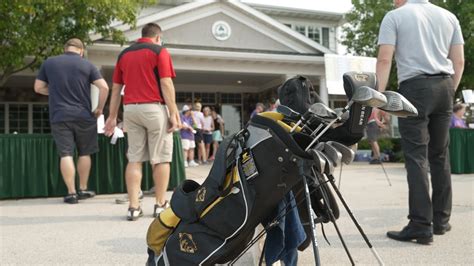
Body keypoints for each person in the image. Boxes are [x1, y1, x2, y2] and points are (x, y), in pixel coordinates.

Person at [376, 0, 464, 243]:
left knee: (416, 157)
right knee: (439, 155)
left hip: (414, 87)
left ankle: (420, 225)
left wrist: (377, 99)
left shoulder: (395, 17)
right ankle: (441, 221)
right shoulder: (448, 16)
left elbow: (384, 60)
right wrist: (448, 92)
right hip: (445, 85)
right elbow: (459, 62)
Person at [104, 23, 181, 221]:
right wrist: (173, 112)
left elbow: (115, 88)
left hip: (130, 108)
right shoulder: (159, 51)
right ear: (158, 37)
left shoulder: (124, 54)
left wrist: (112, 117)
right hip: (154, 108)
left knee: (134, 158)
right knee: (161, 158)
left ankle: (133, 207)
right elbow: (166, 83)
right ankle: (160, 204)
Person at [34, 38, 109, 204]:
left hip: (60, 115)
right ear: (81, 51)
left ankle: (71, 193)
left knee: (66, 153)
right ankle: (82, 188)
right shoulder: (87, 65)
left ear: (65, 49)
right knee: (84, 152)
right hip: (84, 116)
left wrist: (54, 92)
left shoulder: (50, 63)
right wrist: (99, 108)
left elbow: (38, 88)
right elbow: (104, 87)